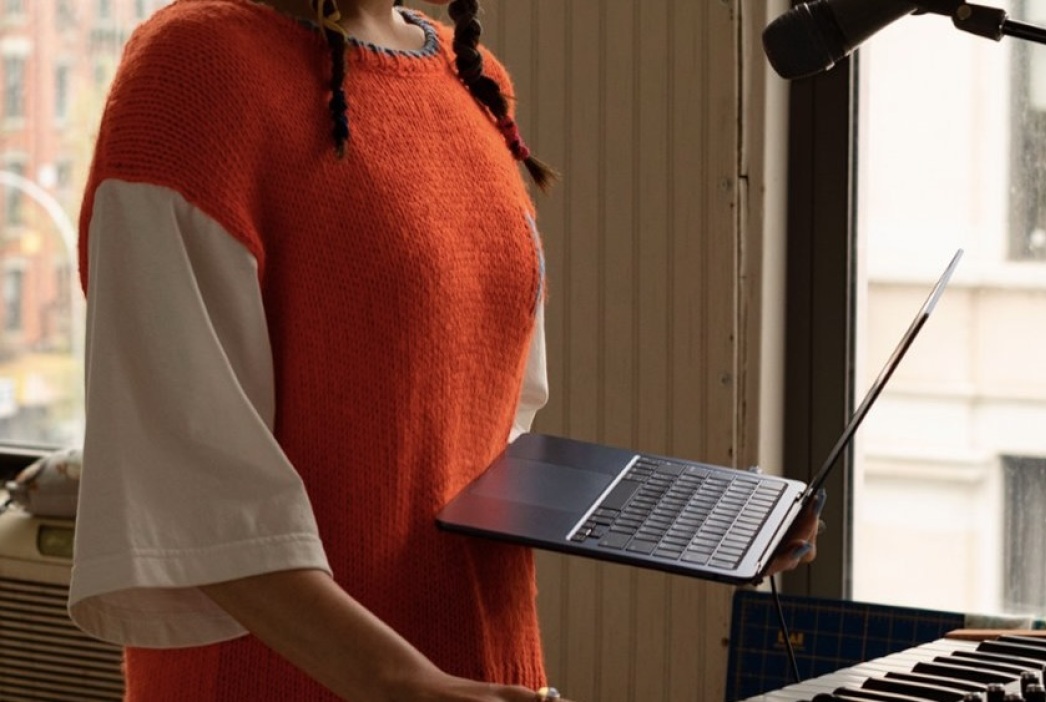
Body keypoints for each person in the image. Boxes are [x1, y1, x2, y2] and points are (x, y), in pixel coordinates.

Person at [67, 0, 823, 700]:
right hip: (295, 676)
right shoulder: (194, 68)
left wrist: (700, 517)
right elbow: (181, 478)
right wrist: (403, 683)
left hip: (481, 660)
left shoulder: (472, 76)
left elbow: (484, 426)